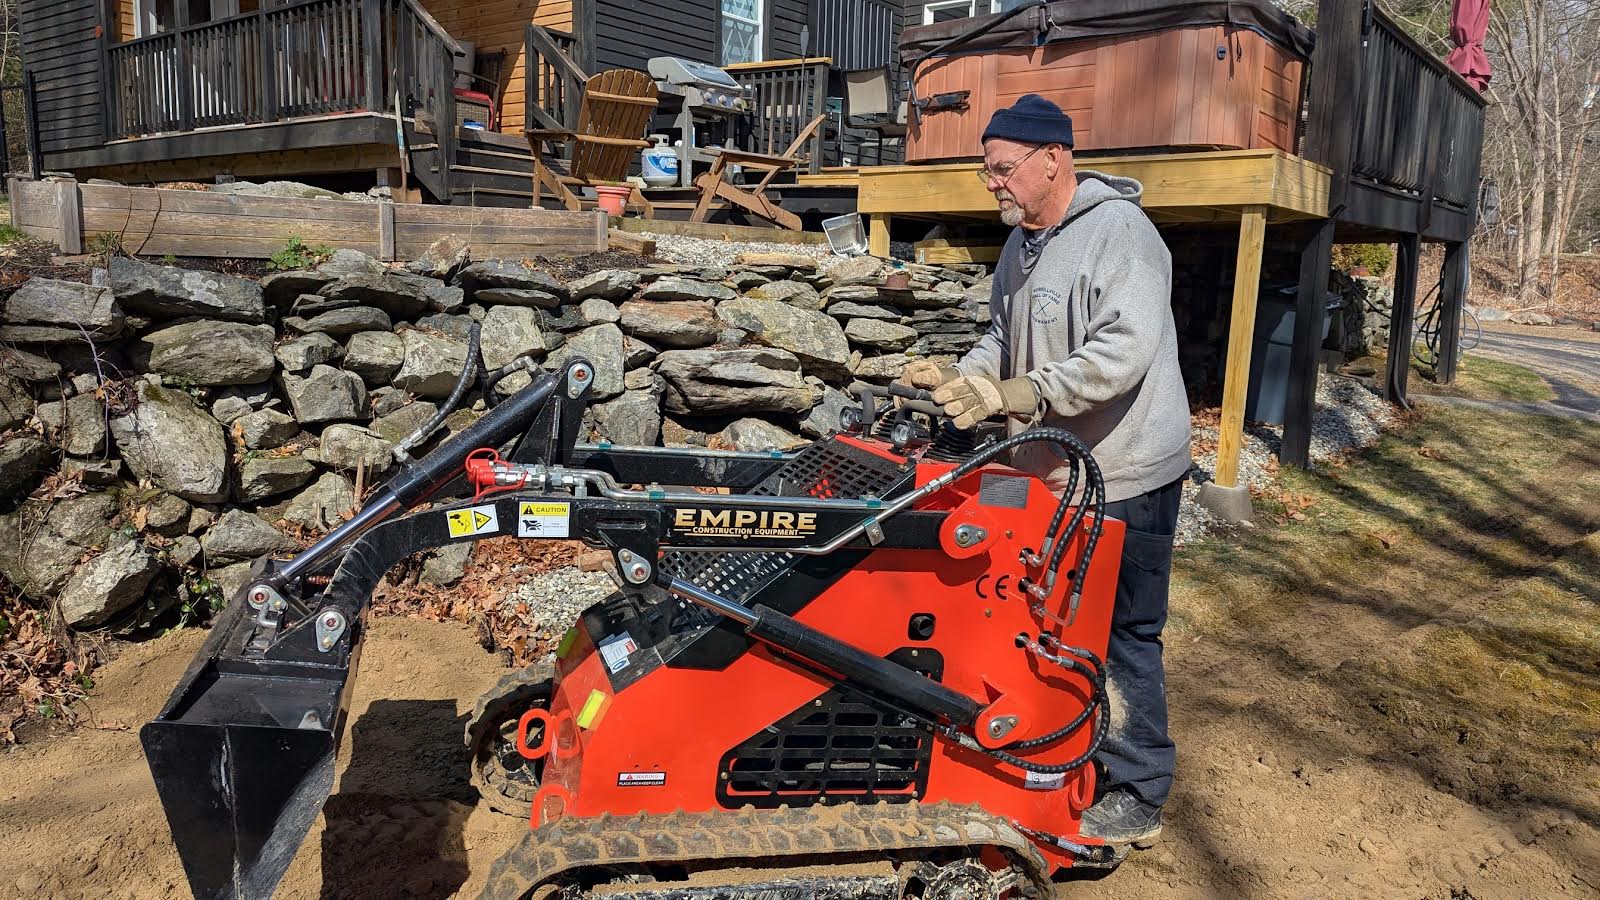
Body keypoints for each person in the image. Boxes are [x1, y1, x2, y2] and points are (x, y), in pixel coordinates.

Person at [901, 94, 1192, 849]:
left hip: (1128, 473)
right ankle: (1057, 750)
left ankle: (1139, 789)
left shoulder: (1122, 235)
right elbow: (1002, 335)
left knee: (1124, 630)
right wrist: (965, 377)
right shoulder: (1022, 242)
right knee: (1046, 616)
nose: (991, 183)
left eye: (1001, 169)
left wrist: (1022, 394)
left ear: (1052, 159)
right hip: (1053, 468)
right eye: (987, 170)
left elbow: (1121, 356)